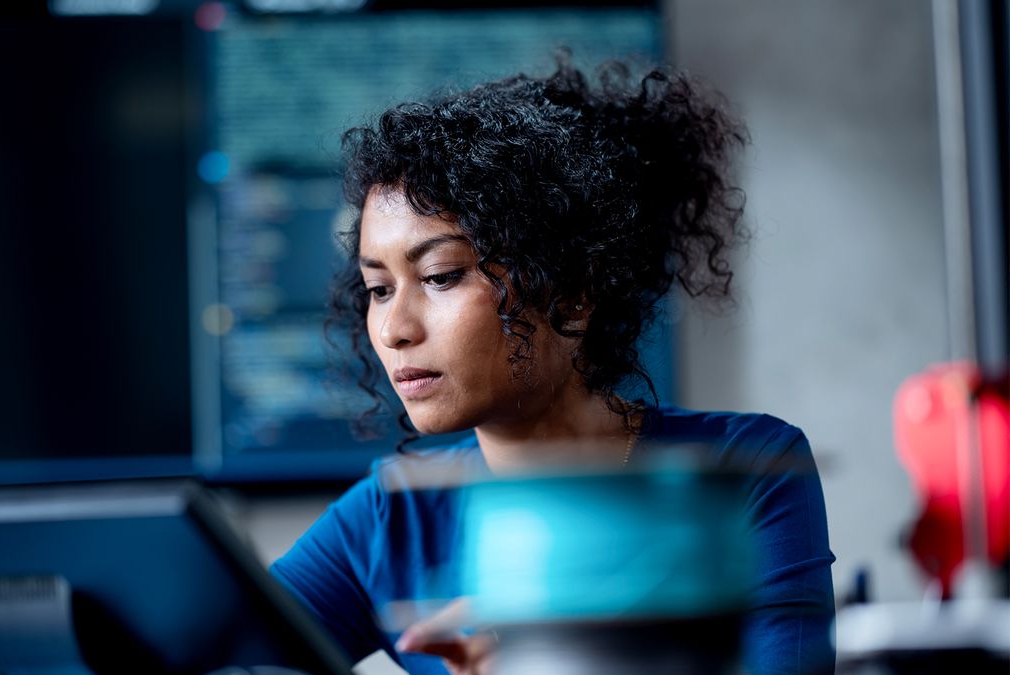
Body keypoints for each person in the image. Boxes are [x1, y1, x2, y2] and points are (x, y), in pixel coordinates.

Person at [271, 55, 835, 675]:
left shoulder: (744, 473)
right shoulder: (385, 519)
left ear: (569, 293)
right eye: (378, 289)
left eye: (440, 276)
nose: (395, 329)